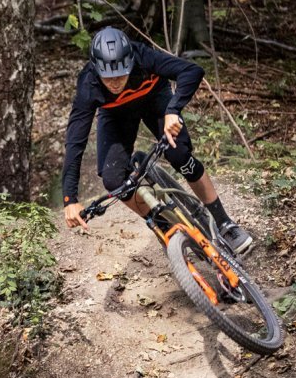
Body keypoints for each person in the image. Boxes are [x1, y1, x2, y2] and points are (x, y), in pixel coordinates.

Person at [61, 26, 253, 255]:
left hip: (155, 100)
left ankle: (224, 223)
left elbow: (192, 71)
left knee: (180, 155)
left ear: (130, 62)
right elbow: (75, 142)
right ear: (96, 71)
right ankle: (165, 227)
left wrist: (174, 109)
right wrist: (69, 198)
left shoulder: (142, 55)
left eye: (121, 74)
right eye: (108, 78)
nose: (115, 83)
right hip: (116, 115)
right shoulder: (87, 85)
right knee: (114, 181)